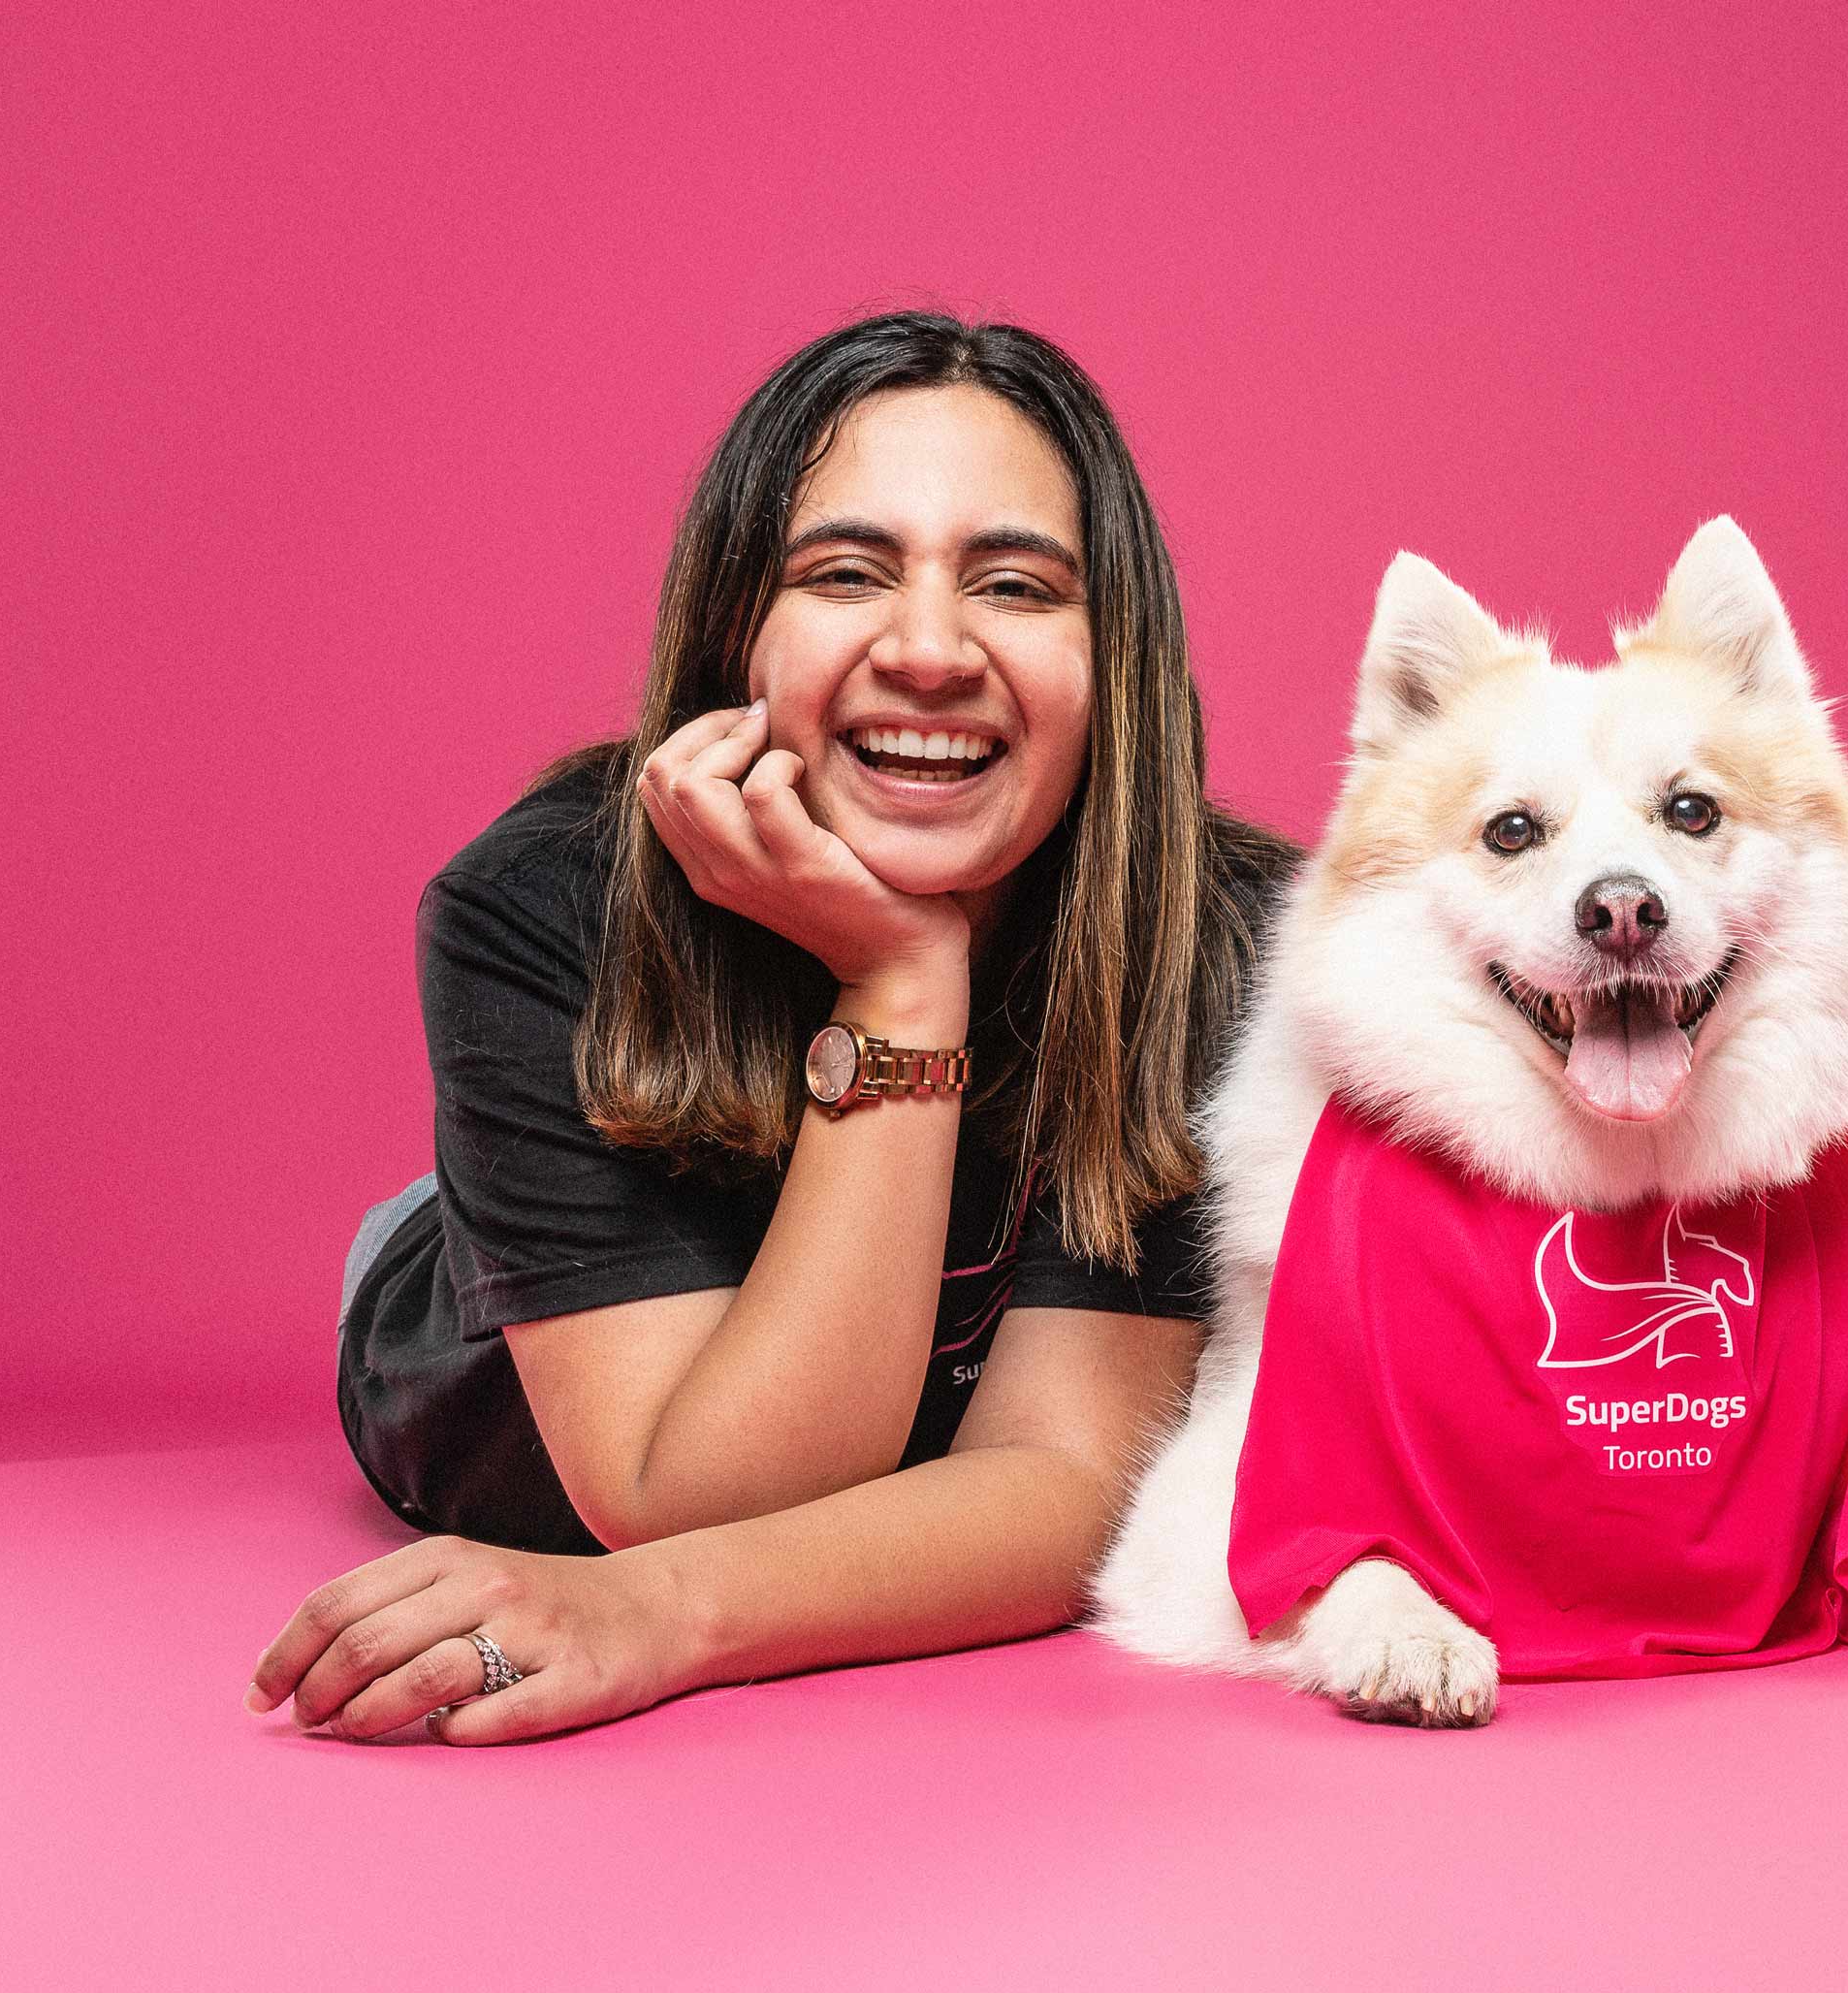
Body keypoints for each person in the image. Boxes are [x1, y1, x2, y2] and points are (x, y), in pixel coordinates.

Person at [244, 312, 1294, 1745]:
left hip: (937, 1370)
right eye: (846, 571)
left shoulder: (1233, 940)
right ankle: (458, 1216)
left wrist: (659, 1618)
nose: (929, 650)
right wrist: (908, 989)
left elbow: (1063, 1471)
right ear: (742, 627)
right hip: (501, 1366)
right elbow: (709, 1497)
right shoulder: (532, 904)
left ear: (1112, 659)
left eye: (1014, 584)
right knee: (499, 1248)